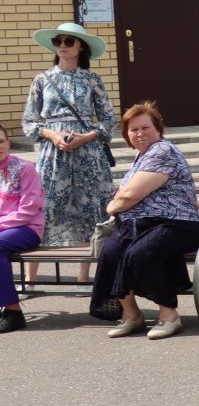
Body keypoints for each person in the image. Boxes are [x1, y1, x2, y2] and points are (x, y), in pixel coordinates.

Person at [92, 103, 199, 340]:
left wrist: (112, 206)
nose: (139, 133)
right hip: (141, 225)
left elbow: (128, 196)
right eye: (133, 130)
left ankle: (169, 316)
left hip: (177, 225)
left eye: (145, 128)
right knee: (111, 252)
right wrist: (119, 201)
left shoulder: (162, 151)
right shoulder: (142, 156)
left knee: (141, 253)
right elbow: (125, 194)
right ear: (126, 134)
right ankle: (132, 316)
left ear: (158, 129)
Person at [21, 22, 114, 265]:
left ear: (81, 47)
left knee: (90, 207)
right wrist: (51, 134)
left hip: (88, 153)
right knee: (48, 206)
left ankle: (86, 275)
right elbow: (29, 122)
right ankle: (31, 277)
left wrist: (87, 136)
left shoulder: (92, 78)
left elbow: (109, 119)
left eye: (68, 41)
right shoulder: (42, 79)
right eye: (58, 41)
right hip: (53, 153)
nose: (62, 46)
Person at [0, 120, 45, 333]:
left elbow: (27, 211)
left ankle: (13, 311)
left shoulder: (25, 169)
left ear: (8, 143)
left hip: (27, 228)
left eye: (0, 141)